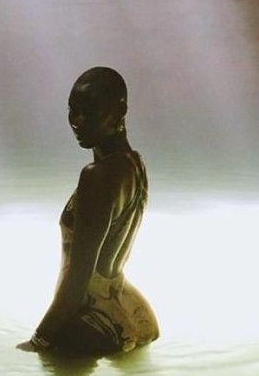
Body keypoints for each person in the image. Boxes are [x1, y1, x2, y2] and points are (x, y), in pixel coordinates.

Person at [18, 66, 159, 356]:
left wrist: (39, 341)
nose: (78, 121)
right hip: (128, 309)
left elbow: (79, 276)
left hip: (90, 320)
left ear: (120, 110)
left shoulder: (97, 176)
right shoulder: (134, 164)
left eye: (90, 111)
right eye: (73, 110)